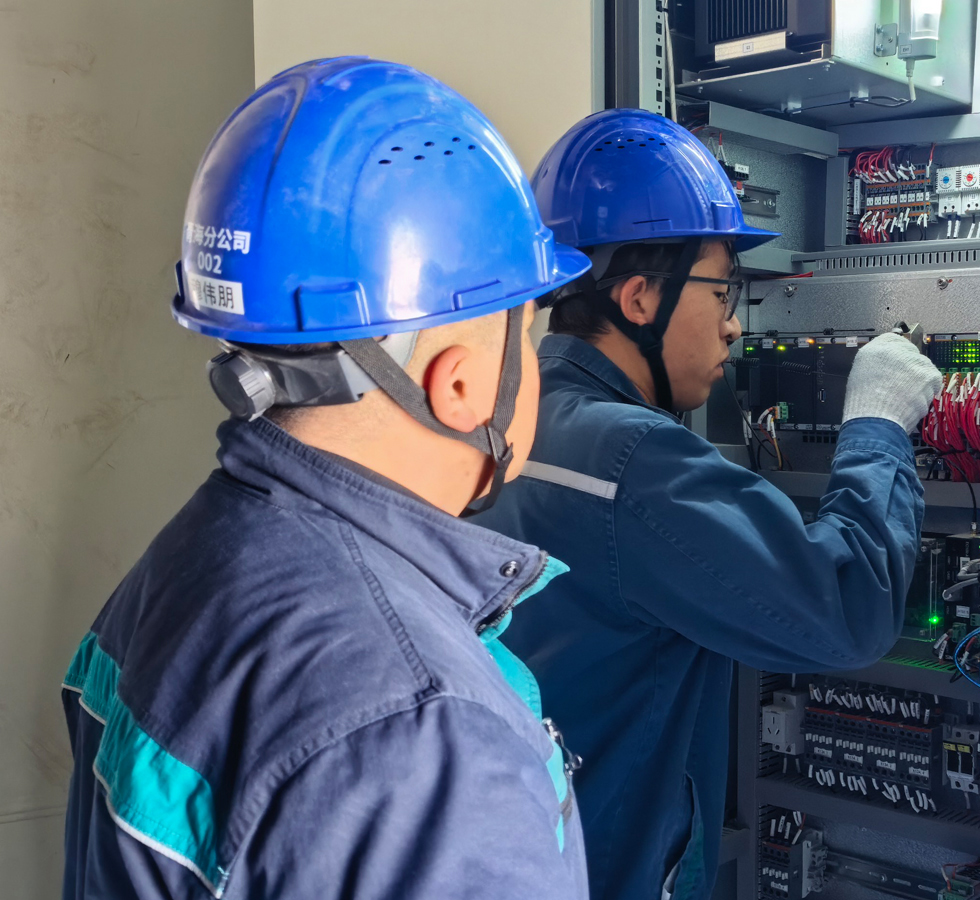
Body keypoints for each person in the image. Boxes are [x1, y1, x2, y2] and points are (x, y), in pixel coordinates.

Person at [59, 58, 593, 899]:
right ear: (458, 385)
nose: (533, 362)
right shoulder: (432, 737)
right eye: (524, 331)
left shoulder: (183, 562)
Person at [473, 108, 944, 900]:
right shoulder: (633, 461)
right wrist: (877, 425)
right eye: (722, 290)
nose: (732, 325)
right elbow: (848, 607)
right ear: (638, 298)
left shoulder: (501, 419)